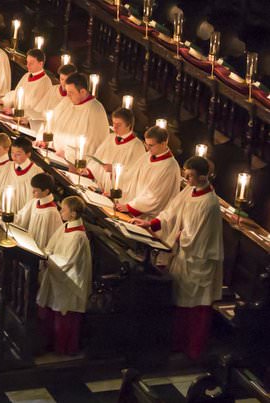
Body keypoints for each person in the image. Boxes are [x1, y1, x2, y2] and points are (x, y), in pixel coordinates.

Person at [132, 157, 222, 360]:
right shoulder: (189, 190)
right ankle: (178, 343)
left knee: (196, 308)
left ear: (201, 177)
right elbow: (172, 211)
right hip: (184, 257)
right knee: (181, 303)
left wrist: (178, 237)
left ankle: (193, 350)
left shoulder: (209, 203)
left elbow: (197, 236)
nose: (185, 178)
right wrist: (152, 224)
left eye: (189, 175)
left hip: (198, 260)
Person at [36, 196, 92, 355]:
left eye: (64, 209)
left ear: (73, 214)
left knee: (64, 315)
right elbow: (51, 246)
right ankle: (49, 344)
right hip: (56, 276)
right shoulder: (66, 227)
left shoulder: (78, 236)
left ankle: (63, 349)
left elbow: (68, 263)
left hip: (68, 283)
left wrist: (48, 259)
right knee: (53, 312)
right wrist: (47, 254)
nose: (60, 211)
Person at [115, 125, 181, 218]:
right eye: (146, 144)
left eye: (151, 145)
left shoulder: (169, 167)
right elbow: (131, 176)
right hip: (133, 206)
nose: (147, 148)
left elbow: (155, 197)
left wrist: (130, 207)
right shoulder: (147, 156)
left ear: (163, 143)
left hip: (149, 218)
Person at [45, 73, 108, 160]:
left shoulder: (95, 110)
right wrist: (44, 140)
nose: (68, 95)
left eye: (71, 92)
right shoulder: (66, 101)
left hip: (73, 163)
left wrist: (67, 155)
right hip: (53, 153)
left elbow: (92, 146)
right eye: (67, 92)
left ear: (83, 92)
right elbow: (51, 123)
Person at [85, 108, 145, 192]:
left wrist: (114, 169)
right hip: (100, 188)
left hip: (118, 194)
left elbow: (135, 174)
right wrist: (88, 172)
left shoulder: (137, 146)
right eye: (113, 123)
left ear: (129, 125)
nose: (115, 127)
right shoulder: (110, 138)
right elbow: (97, 159)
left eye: (119, 125)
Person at [0, 137, 43, 211]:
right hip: (5, 210)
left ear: (28, 154)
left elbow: (34, 201)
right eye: (12, 153)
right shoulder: (8, 166)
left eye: (18, 154)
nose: (14, 156)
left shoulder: (36, 172)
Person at [0, 48, 52, 120]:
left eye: (31, 63)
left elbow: (35, 109)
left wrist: (14, 111)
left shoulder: (45, 83)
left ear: (41, 63)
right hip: (14, 116)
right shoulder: (27, 75)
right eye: (27, 62)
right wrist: (3, 101)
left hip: (25, 120)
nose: (27, 65)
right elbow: (16, 93)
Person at [14, 173, 62, 249]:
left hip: (40, 249)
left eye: (35, 190)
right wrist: (9, 216)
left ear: (46, 191)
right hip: (29, 243)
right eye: (33, 189)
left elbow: (53, 237)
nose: (32, 192)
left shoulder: (52, 212)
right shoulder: (34, 202)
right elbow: (21, 218)